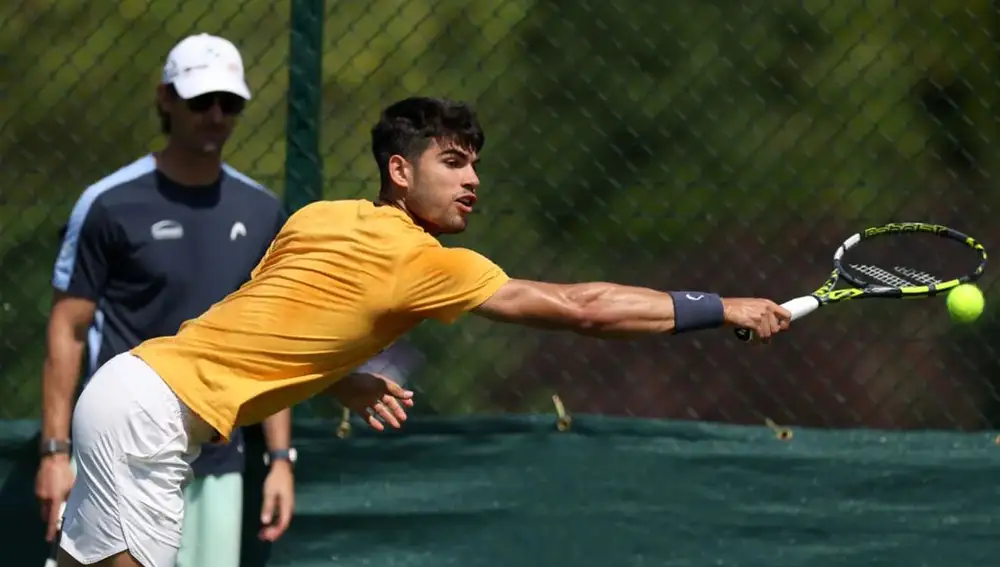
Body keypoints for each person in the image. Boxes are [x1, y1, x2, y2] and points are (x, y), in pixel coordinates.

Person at [55, 95, 792, 567]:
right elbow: (583, 307)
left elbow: (264, 324)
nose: (473, 180)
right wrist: (720, 306)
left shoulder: (316, 218)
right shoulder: (422, 261)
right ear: (399, 171)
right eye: (453, 162)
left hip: (128, 387)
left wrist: (339, 377)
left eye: (475, 165)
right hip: (151, 416)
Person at [38, 33, 300, 567]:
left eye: (231, 103)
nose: (216, 115)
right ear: (165, 99)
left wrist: (279, 458)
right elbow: (66, 331)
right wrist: (55, 452)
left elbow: (271, 341)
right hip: (122, 456)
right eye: (201, 100)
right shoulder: (109, 204)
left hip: (221, 461)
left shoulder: (262, 210)